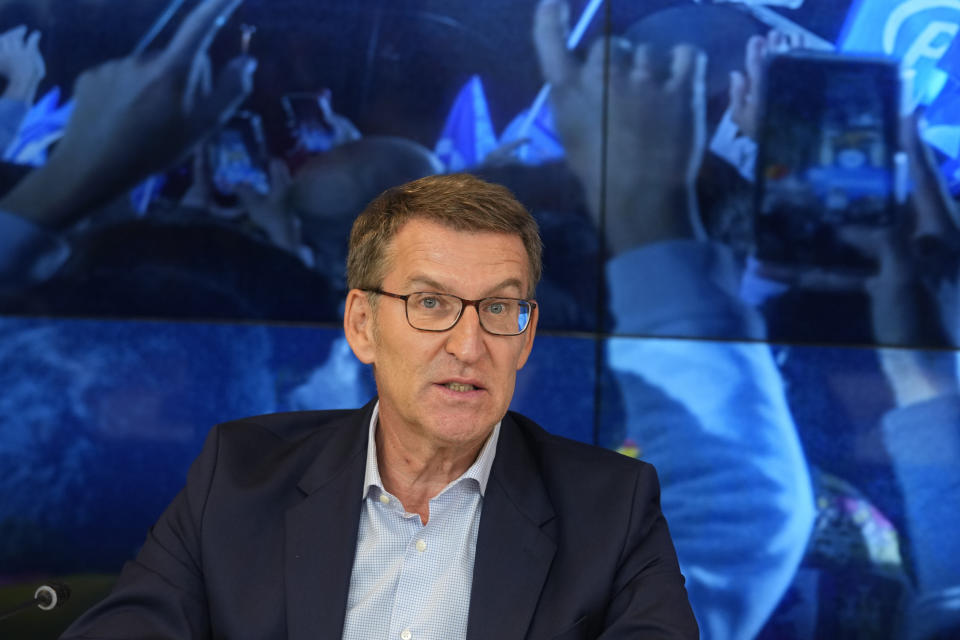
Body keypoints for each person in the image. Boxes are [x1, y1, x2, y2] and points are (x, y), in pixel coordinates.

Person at [60, 172, 698, 639]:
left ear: (526, 337)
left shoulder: (614, 508)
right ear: (362, 325)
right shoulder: (239, 475)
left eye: (500, 309)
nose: (469, 344)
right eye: (431, 304)